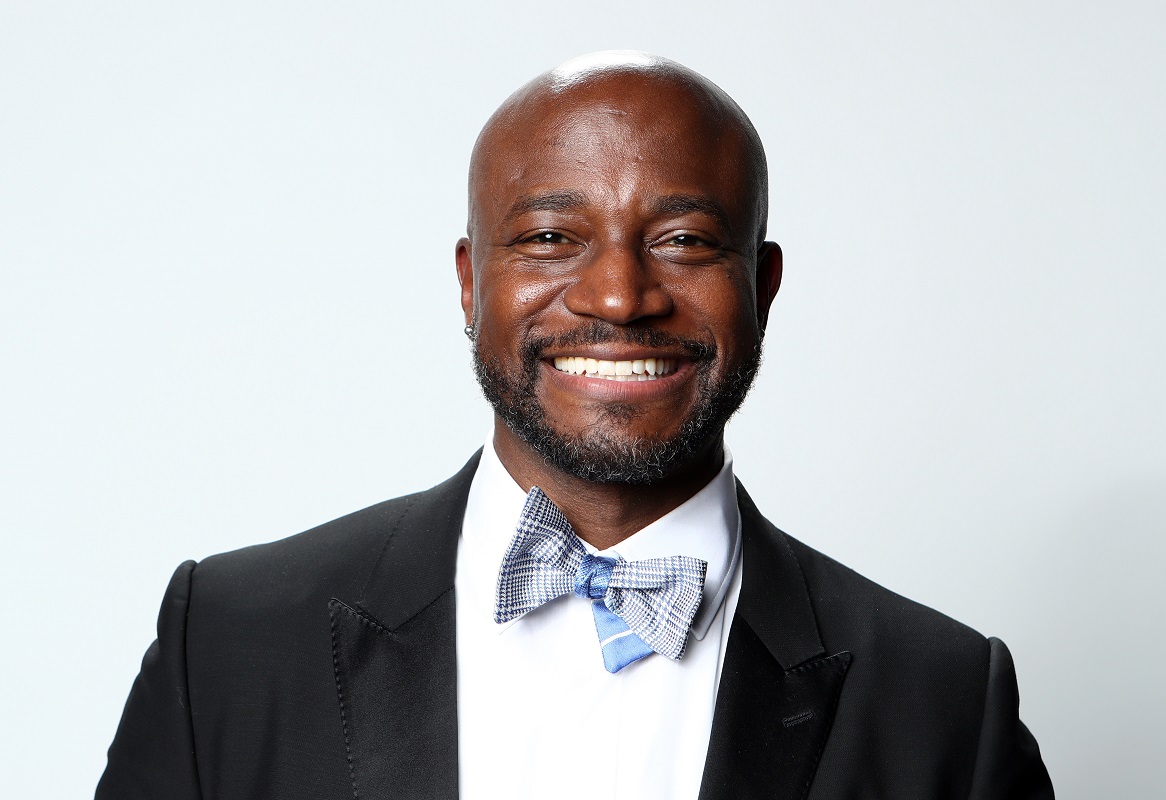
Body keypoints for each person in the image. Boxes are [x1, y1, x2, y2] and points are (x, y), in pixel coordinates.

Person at [97, 51, 1053, 799]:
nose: (618, 295)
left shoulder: (943, 706)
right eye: (552, 237)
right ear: (472, 283)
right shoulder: (227, 643)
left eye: (681, 241)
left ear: (761, 289)